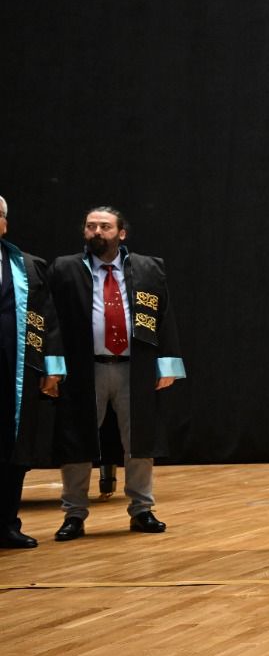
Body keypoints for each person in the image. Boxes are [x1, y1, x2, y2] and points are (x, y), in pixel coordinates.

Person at [51, 206, 185, 541]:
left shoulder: (148, 267)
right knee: (77, 438)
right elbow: (52, 320)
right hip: (85, 369)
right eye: (91, 226)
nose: (97, 232)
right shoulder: (66, 268)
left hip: (134, 368)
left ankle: (142, 509)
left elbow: (164, 316)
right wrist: (53, 367)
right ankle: (74, 514)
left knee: (139, 440)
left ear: (121, 233)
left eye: (105, 226)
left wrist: (167, 365)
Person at [1, 195, 66, 549]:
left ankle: (6, 525)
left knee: (13, 450)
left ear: (4, 224)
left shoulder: (27, 266)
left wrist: (52, 368)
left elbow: (48, 320)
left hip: (15, 372)